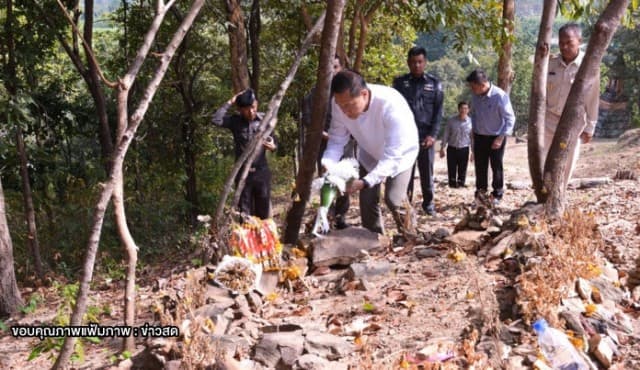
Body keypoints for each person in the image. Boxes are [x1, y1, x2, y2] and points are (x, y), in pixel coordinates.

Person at [322, 70, 419, 238]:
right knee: (367, 202)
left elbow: (392, 156)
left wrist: (366, 181)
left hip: (401, 154)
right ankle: (374, 239)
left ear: (364, 94)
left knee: (394, 199)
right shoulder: (339, 103)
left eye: (348, 105)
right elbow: (337, 139)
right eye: (340, 105)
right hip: (369, 150)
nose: (344, 111)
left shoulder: (390, 104)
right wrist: (328, 163)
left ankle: (411, 236)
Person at [301, 55, 353, 229]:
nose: (333, 71)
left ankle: (341, 216)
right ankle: (327, 216)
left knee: (345, 180)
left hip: (345, 144)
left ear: (341, 68)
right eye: (329, 67)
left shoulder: (348, 92)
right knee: (327, 180)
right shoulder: (312, 95)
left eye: (336, 67)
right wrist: (326, 135)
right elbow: (308, 121)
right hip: (324, 146)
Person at [545, 23, 600, 181]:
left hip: (573, 123)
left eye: (569, 42)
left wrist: (590, 127)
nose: (564, 46)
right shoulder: (550, 63)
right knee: (544, 163)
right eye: (561, 43)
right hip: (548, 120)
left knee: (566, 165)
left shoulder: (589, 66)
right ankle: (544, 196)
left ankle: (559, 197)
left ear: (579, 41)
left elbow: (593, 97)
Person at [393, 46, 443, 215]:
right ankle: (406, 205)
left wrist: (433, 135)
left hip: (425, 136)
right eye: (413, 62)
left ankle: (428, 205)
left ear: (425, 62)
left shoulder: (434, 84)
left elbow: (438, 112)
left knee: (426, 172)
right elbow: (394, 111)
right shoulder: (399, 83)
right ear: (408, 63)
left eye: (420, 62)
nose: (416, 65)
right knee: (406, 172)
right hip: (405, 136)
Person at [212, 89, 276, 219]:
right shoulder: (235, 121)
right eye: (246, 109)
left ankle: (264, 239)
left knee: (263, 212)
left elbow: (274, 140)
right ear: (240, 110)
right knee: (245, 215)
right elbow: (216, 119)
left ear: (256, 104)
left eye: (253, 107)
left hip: (262, 173)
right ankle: (247, 239)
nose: (251, 111)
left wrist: (273, 146)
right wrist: (231, 101)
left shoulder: (265, 119)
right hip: (243, 175)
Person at [466, 69, 515, 204]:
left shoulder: (500, 96)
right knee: (480, 167)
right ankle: (481, 194)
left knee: (496, 166)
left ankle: (497, 194)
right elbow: (474, 115)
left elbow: (510, 119)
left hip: (496, 138)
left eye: (473, 87)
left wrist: (501, 138)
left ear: (482, 84)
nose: (472, 89)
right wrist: (473, 134)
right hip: (479, 136)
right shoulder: (475, 96)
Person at [440, 101, 473, 188]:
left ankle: (461, 184)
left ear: (468, 110)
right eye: (462, 108)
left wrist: (473, 152)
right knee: (451, 168)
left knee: (463, 168)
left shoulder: (471, 122)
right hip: (452, 148)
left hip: (464, 149)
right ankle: (452, 184)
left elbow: (472, 138)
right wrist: (442, 147)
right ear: (458, 109)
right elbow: (446, 134)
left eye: (466, 108)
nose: (463, 110)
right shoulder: (451, 121)